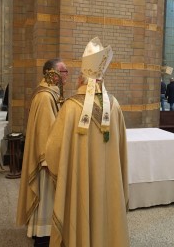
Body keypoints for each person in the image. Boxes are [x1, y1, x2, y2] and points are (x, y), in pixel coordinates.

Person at [46, 37, 129, 247]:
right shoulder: (115, 105)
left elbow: (54, 150)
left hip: (79, 183)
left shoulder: (71, 107)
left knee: (81, 211)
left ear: (82, 79)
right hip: (109, 183)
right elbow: (121, 152)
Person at [16, 58, 68, 247]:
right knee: (46, 196)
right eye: (64, 72)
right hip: (45, 159)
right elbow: (46, 133)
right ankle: (43, 234)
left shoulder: (50, 93)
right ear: (52, 74)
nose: (66, 76)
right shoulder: (45, 97)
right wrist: (48, 161)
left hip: (47, 156)